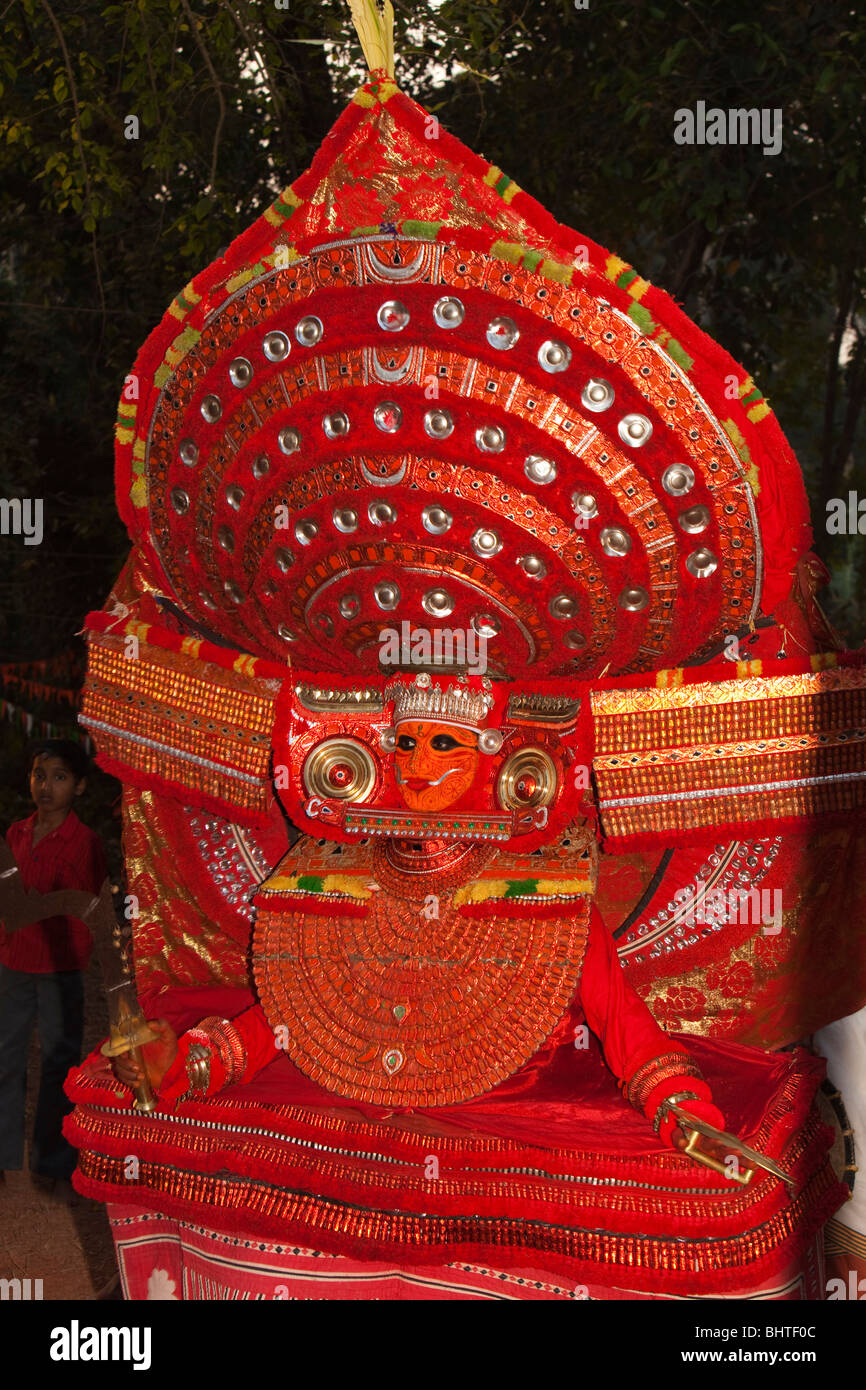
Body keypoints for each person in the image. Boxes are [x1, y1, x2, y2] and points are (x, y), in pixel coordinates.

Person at [0, 739, 107, 1195]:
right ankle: (3, 1158)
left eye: (59, 777)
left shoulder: (85, 843)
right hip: (12, 963)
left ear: (79, 786)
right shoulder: (16, 834)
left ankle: (53, 1161)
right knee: (5, 1060)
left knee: (58, 1062)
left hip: (61, 971)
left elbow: (95, 907)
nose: (46, 786)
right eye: (39, 775)